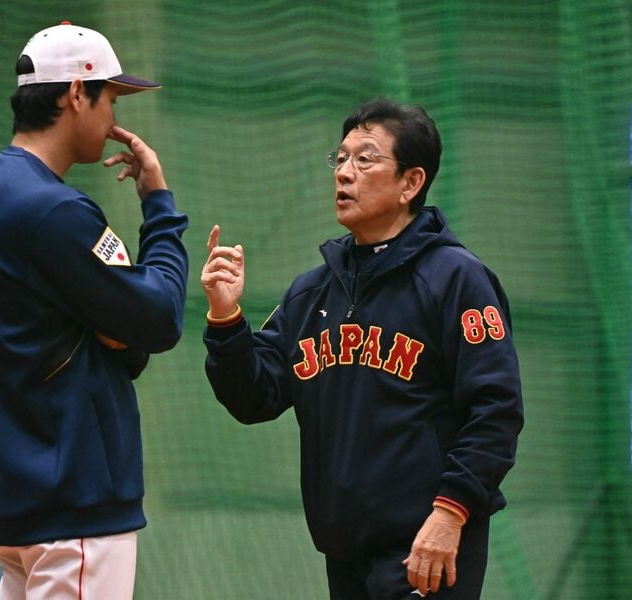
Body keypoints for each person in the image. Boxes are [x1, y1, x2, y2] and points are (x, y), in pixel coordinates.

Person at [200, 98, 523, 599]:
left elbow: (496, 409)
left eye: (365, 159)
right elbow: (254, 398)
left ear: (410, 183)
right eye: (341, 158)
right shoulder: (312, 292)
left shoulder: (456, 279)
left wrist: (450, 512)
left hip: (425, 547)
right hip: (345, 555)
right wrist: (226, 319)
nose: (344, 172)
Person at [0, 22, 189, 600]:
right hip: (71, 505)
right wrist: (159, 205)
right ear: (76, 94)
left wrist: (122, 332)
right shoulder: (53, 209)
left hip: (22, 504)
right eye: (110, 97)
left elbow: (126, 339)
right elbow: (159, 317)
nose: (115, 118)